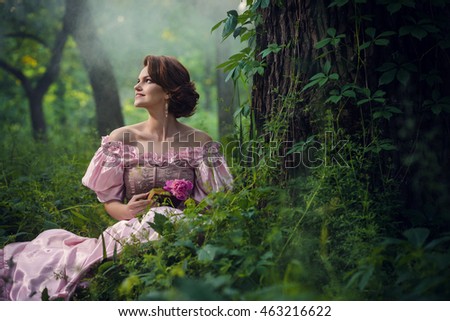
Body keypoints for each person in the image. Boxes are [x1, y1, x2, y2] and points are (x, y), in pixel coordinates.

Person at [0, 55, 233, 300]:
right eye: (138, 80)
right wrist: (126, 212)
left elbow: (214, 205)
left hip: (183, 232)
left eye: (148, 80)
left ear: (169, 92)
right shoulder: (121, 138)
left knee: (165, 217)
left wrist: (182, 209)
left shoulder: (200, 142)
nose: (137, 86)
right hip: (130, 231)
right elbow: (109, 201)